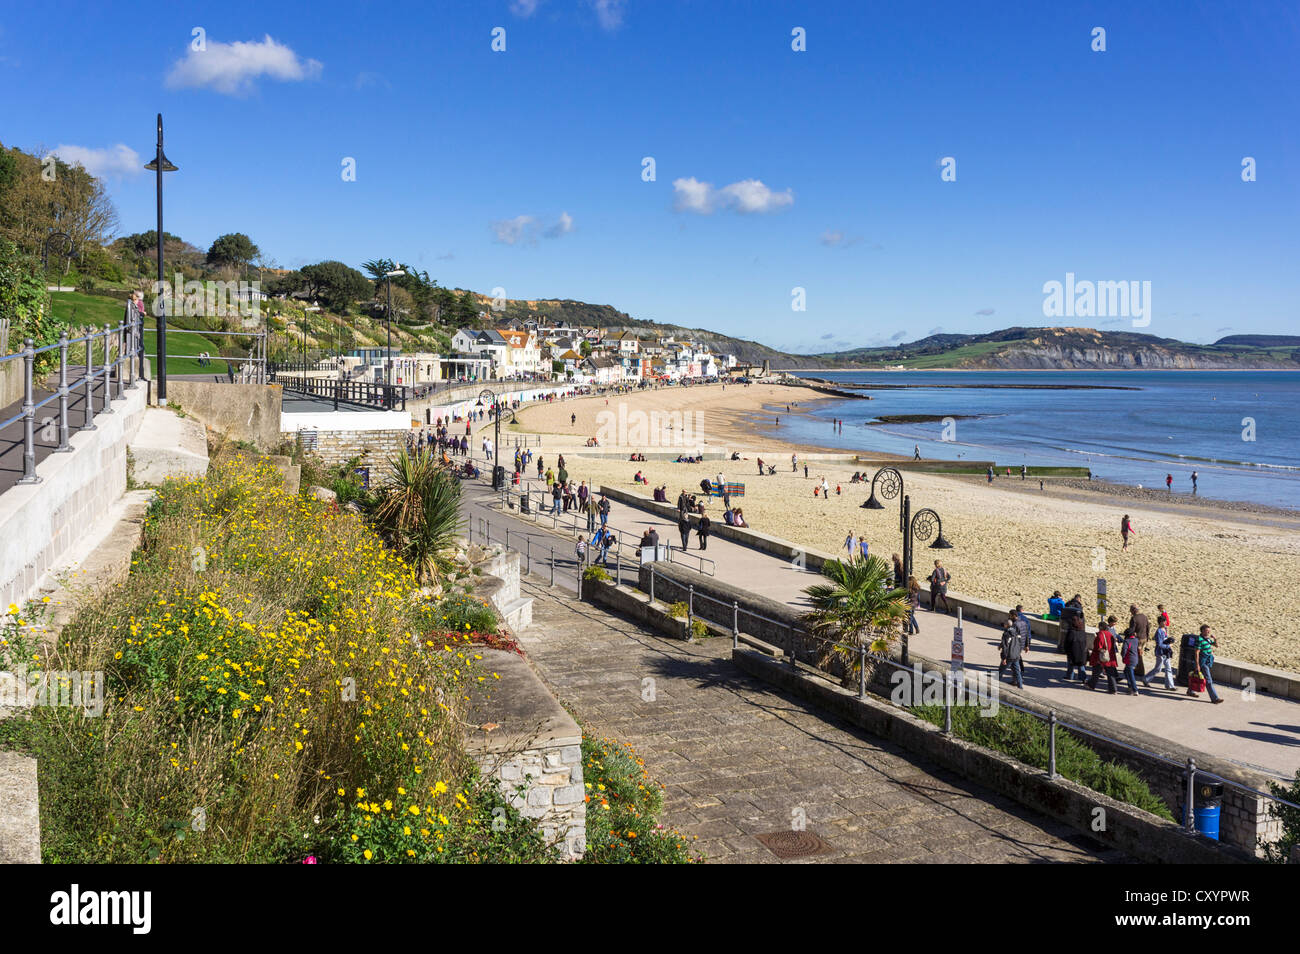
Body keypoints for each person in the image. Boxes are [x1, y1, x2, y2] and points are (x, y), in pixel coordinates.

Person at [1087, 616, 1120, 693]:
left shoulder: (1100, 635)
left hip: (1101, 657)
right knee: (1110, 674)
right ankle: (1113, 689)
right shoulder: (1110, 634)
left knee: (1096, 673)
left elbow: (1098, 647)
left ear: (1101, 627)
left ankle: (1091, 685)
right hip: (1110, 656)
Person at [1194, 625, 1223, 704]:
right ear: (1202, 631)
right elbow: (1196, 653)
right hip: (1202, 662)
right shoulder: (1199, 640)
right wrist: (1197, 665)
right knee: (1208, 680)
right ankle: (1215, 698)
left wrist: (1215, 639)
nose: (1209, 632)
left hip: (1207, 661)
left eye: (1209, 630)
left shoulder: (1207, 639)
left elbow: (1216, 645)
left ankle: (1190, 691)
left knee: (1196, 676)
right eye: (1207, 631)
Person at [1143, 623, 1176, 690]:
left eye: (1165, 622)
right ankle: (1146, 679)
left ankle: (1170, 686)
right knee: (1158, 669)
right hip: (1160, 653)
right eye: (1163, 622)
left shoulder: (1165, 629)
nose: (1165, 623)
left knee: (1168, 668)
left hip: (1166, 652)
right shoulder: (1158, 632)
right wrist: (1168, 646)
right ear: (1160, 623)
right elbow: (1159, 644)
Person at [1124, 604, 1150, 678]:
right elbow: (1148, 627)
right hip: (1144, 638)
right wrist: (1147, 637)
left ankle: (1140, 671)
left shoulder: (1134, 618)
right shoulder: (1144, 616)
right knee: (1139, 653)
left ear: (1133, 610)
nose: (1130, 612)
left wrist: (1129, 638)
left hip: (1137, 639)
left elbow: (1132, 630)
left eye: (1131, 610)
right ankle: (1138, 669)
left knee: (1138, 654)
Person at [1063, 614, 1090, 682]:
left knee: (1070, 664)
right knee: (1081, 665)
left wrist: (1066, 650)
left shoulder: (1071, 632)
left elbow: (1067, 642)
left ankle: (1070, 676)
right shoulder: (1082, 631)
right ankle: (1083, 677)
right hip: (1082, 651)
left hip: (1072, 651)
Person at [1000, 616, 1024, 689]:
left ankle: (994, 685)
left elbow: (1005, 647)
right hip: (1016, 656)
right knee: (1017, 672)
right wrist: (1018, 653)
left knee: (1000, 671)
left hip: (1009, 656)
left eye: (1004, 624)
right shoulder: (1017, 632)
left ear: (1006, 625)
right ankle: (1020, 687)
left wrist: (1004, 657)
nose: (1003, 625)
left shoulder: (1006, 634)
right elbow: (1020, 644)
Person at [1120, 626, 1141, 695]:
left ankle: (1134, 689)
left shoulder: (1127, 641)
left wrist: (1122, 657)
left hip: (1129, 660)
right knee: (1126, 671)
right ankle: (1130, 686)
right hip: (1135, 659)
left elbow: (1124, 651)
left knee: (1131, 675)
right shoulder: (1136, 640)